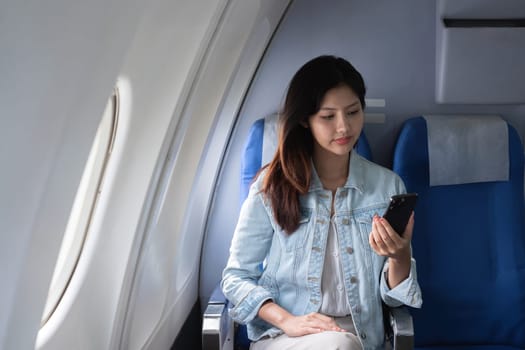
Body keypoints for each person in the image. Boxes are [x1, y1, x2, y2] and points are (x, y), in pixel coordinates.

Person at [221, 55, 422, 350]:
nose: (344, 127)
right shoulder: (271, 187)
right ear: (305, 119)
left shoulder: (386, 187)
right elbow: (236, 278)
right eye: (328, 117)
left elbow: (392, 299)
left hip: (360, 338)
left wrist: (400, 255)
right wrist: (287, 320)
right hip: (286, 336)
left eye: (353, 112)